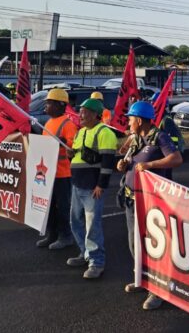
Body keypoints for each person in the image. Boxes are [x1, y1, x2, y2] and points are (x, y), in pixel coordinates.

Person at [116, 101, 182, 310]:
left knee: (153, 246)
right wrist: (123, 165)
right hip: (130, 198)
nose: (128, 122)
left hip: (150, 200)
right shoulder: (135, 138)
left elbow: (176, 158)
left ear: (140, 120)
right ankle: (142, 279)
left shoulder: (159, 136)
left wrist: (151, 165)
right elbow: (130, 160)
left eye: (130, 119)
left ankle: (158, 290)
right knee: (134, 243)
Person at [66, 98, 118, 279]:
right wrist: (70, 154)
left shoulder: (104, 133)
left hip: (92, 188)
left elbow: (107, 162)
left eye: (85, 112)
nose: (80, 115)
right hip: (77, 185)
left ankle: (97, 262)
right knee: (76, 222)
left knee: (92, 227)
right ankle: (86, 253)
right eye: (80, 111)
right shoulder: (80, 133)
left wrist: (101, 185)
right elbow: (78, 155)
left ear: (96, 114)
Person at [37, 88, 79, 251]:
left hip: (63, 173)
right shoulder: (47, 123)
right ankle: (52, 234)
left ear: (60, 105)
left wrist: (64, 142)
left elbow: (74, 148)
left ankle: (65, 236)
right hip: (48, 173)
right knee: (48, 206)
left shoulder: (67, 124)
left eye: (49, 103)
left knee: (62, 207)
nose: (46, 107)